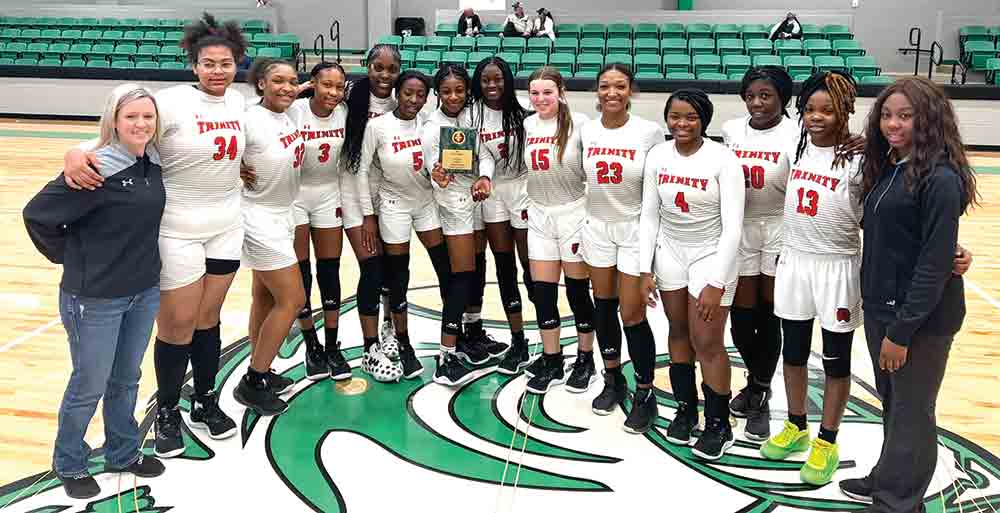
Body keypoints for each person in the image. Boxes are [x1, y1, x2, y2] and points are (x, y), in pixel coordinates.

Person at [61, 13, 253, 457]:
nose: (217, 71)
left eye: (225, 63)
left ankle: (205, 400)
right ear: (193, 64)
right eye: (208, 63)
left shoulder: (240, 102)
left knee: (209, 319)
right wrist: (76, 152)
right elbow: (117, 132)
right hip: (177, 229)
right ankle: (168, 409)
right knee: (178, 324)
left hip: (226, 225)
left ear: (237, 64)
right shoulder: (169, 103)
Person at [840, 76, 978, 511]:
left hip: (920, 319)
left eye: (905, 115)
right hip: (884, 308)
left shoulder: (940, 178)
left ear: (929, 119)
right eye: (886, 115)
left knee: (914, 410)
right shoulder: (893, 166)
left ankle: (900, 501)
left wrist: (901, 332)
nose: (892, 124)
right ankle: (889, 476)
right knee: (895, 403)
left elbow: (933, 265)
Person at [24, 84, 167, 499]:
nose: (141, 124)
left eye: (147, 116)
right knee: (89, 383)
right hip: (95, 298)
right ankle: (69, 461)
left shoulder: (153, 158)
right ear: (113, 122)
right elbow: (37, 214)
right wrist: (72, 258)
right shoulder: (94, 168)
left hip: (143, 290)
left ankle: (122, 451)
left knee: (126, 378)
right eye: (131, 117)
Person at [760, 71, 861, 485]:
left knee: (837, 362)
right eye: (809, 109)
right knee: (794, 353)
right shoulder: (793, 147)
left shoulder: (861, 157)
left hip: (837, 266)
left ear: (845, 110)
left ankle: (827, 441)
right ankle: (798, 426)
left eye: (828, 109)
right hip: (796, 261)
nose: (816, 116)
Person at [639, 89, 744, 458]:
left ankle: (719, 422)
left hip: (711, 255)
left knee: (708, 341)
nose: (681, 124)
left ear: (704, 121)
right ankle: (686, 410)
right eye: (675, 117)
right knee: (678, 332)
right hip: (671, 251)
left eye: (691, 118)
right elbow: (650, 215)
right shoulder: (658, 155)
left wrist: (717, 281)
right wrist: (643, 268)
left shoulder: (723, 160)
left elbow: (733, 227)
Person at [580, 64, 664, 415]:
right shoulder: (586, 130)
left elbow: (656, 193)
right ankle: (613, 378)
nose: (611, 93)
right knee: (603, 307)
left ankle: (646, 391)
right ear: (597, 91)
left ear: (631, 91)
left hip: (634, 228)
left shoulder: (649, 132)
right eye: (604, 86)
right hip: (597, 227)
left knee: (632, 314)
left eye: (619, 86)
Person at [719, 66, 796, 442]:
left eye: (765, 95)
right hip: (741, 227)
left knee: (769, 316)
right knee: (740, 316)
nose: (757, 103)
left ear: (782, 97)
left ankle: (759, 393)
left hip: (780, 227)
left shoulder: (795, 134)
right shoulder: (733, 131)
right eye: (751, 95)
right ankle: (757, 382)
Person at [359, 70, 449, 381]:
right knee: (399, 277)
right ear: (398, 92)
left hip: (425, 203)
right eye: (408, 93)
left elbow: (438, 164)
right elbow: (362, 173)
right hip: (393, 206)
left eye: (420, 94)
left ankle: (453, 341)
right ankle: (404, 342)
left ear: (427, 97)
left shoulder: (430, 125)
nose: (413, 99)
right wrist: (368, 215)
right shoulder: (378, 126)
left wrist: (441, 176)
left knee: (446, 269)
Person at [233, 58, 307, 416]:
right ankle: (253, 380)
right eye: (278, 81)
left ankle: (261, 367)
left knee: (263, 296)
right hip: (257, 217)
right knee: (293, 299)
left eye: (293, 82)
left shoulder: (288, 115)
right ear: (260, 83)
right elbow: (214, 150)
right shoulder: (246, 118)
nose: (287, 88)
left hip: (283, 214)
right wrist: (234, 170)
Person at [519, 67, 597, 395]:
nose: (540, 99)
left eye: (547, 92)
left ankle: (585, 358)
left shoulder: (581, 125)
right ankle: (552, 359)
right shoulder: (528, 123)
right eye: (534, 93)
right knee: (544, 294)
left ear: (560, 91)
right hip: (539, 216)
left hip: (573, 214)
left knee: (577, 293)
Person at [423, 64, 502, 386]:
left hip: (477, 199)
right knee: (461, 275)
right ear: (437, 94)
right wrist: (436, 175)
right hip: (453, 204)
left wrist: (485, 176)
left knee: (477, 269)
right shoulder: (432, 125)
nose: (453, 96)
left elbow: (484, 153)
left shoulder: (472, 117)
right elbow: (432, 165)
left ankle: (472, 332)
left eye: (459, 90)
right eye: (446, 91)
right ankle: (446, 356)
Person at [340, 44, 405, 381]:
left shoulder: (402, 102)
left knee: (393, 271)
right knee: (372, 270)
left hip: (389, 196)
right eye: (378, 67)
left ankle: (389, 328)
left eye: (391, 69)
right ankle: (368, 350)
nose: (384, 75)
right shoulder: (349, 99)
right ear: (367, 67)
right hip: (354, 197)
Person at [470, 56, 535, 374]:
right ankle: (518, 339)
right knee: (504, 265)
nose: (492, 85)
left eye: (498, 79)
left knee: (531, 268)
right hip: (493, 191)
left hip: (522, 189)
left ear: (507, 80)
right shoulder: (473, 115)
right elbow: (482, 156)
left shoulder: (524, 113)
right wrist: (484, 176)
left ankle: (547, 335)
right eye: (486, 80)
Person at [289, 62, 352, 382]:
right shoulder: (294, 110)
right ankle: (310, 344)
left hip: (329, 195)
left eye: (339, 87)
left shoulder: (344, 112)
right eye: (326, 85)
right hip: (296, 195)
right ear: (312, 83)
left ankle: (331, 345)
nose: (333, 92)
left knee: (329, 270)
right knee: (302, 272)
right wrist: (296, 92)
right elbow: (255, 115)